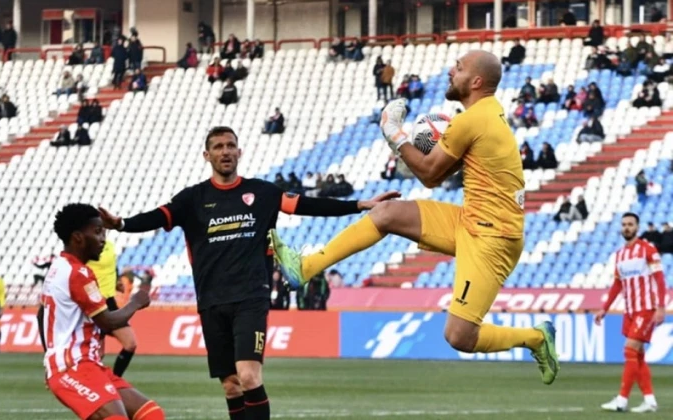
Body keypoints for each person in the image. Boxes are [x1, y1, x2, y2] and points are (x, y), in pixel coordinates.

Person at [270, 50, 560, 385]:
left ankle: (536, 338)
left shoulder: (473, 119)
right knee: (387, 212)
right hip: (473, 220)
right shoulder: (484, 115)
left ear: (477, 81)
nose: (451, 71)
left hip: (492, 237)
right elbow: (437, 175)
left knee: (459, 336)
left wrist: (392, 131)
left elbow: (428, 174)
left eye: (459, 67)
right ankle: (306, 267)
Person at [97, 126, 397, 420]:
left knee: (249, 376)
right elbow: (157, 216)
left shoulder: (262, 192)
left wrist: (359, 205)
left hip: (250, 297)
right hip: (212, 300)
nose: (225, 151)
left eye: (230, 146)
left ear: (239, 152)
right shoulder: (192, 199)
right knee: (231, 387)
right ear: (206, 155)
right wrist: (122, 224)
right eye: (218, 147)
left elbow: (306, 204)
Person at [36, 204, 163, 420]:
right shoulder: (78, 274)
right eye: (97, 232)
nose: (103, 238)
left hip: (88, 365)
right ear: (78, 237)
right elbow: (107, 322)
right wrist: (136, 302)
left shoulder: (59, 267)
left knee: (151, 414)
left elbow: (41, 314)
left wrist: (50, 356)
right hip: (73, 367)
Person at [596, 212, 666, 413]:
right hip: (630, 310)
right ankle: (650, 400)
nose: (627, 227)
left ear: (637, 227)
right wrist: (604, 309)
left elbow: (660, 280)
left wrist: (661, 307)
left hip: (646, 308)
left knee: (629, 350)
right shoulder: (619, 255)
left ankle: (622, 400)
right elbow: (617, 285)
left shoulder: (648, 250)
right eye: (624, 224)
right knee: (638, 356)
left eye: (630, 224)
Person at [87, 240, 138, 378]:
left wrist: (116, 282)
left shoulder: (109, 245)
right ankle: (88, 388)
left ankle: (116, 380)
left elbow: (112, 268)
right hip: (93, 303)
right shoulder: (86, 245)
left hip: (109, 303)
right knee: (98, 354)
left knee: (130, 344)